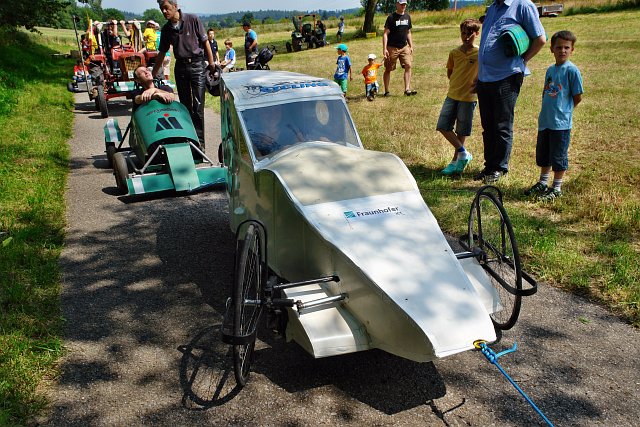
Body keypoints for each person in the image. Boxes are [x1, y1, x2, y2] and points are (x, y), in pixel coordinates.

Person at [474, 0, 546, 184]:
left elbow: (540, 39)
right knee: (488, 126)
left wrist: (523, 60)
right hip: (485, 78)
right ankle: (489, 166)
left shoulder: (523, 5)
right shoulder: (493, 8)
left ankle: (499, 168)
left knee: (502, 125)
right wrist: (479, 74)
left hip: (506, 76)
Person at [524, 30, 583, 201]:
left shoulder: (572, 70)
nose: (562, 50)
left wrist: (565, 110)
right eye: (558, 47)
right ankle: (543, 182)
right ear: (551, 49)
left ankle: (556, 187)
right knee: (544, 154)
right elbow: (546, 92)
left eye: (566, 47)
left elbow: (577, 96)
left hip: (560, 123)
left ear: (572, 50)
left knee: (558, 155)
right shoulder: (550, 70)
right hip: (546, 121)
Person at [152, 0, 216, 151]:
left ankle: (200, 146)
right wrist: (152, 74)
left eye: (166, 8)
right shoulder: (166, 29)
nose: (164, 11)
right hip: (180, 67)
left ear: (175, 6)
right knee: (185, 107)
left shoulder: (192, 19)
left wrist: (212, 63)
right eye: (161, 9)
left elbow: (205, 42)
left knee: (198, 107)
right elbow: (162, 53)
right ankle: (189, 140)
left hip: (197, 66)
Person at [437, 18, 481, 176]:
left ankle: (455, 162)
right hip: (452, 95)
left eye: (470, 34)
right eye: (463, 33)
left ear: (477, 34)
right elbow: (450, 72)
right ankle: (463, 153)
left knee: (461, 130)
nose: (466, 37)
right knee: (443, 125)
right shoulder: (454, 53)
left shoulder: (480, 53)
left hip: (469, 98)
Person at [382, 0, 416, 97]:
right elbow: (385, 34)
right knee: (388, 69)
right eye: (401, 4)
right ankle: (387, 91)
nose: (403, 6)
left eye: (405, 4)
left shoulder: (407, 17)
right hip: (392, 47)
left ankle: (407, 89)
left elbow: (408, 32)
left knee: (408, 65)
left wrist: (411, 46)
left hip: (404, 47)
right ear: (397, 4)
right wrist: (384, 49)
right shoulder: (391, 18)